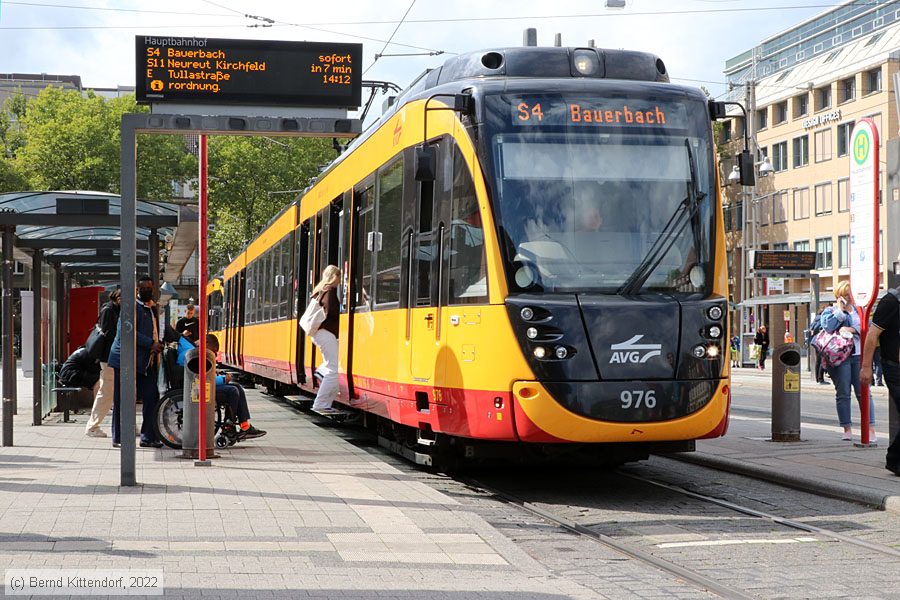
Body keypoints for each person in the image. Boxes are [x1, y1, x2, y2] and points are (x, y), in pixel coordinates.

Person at [107, 276, 165, 449]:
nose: (147, 290)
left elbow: (157, 330)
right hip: (124, 359)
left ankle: (147, 437)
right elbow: (128, 331)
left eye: (149, 287)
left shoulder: (149, 308)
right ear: (137, 290)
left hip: (143, 362)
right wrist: (151, 343)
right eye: (143, 288)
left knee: (152, 395)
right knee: (122, 398)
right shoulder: (131, 307)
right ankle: (118, 437)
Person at [821, 281, 876, 443]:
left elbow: (869, 328)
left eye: (850, 295)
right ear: (839, 296)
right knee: (843, 393)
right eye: (845, 295)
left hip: (859, 355)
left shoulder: (860, 311)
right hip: (840, 357)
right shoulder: (830, 311)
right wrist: (840, 311)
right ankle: (847, 428)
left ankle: (870, 428)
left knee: (864, 392)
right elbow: (828, 327)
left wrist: (853, 330)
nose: (849, 298)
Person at [861, 288, 900, 475]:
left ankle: (895, 459)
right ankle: (894, 460)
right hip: (895, 368)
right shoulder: (891, 301)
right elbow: (872, 335)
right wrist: (866, 367)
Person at [206, 334, 266, 439]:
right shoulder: (199, 354)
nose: (215, 354)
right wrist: (223, 379)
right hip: (203, 388)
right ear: (206, 344)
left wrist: (218, 375)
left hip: (207, 386)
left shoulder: (202, 353)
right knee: (232, 391)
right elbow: (203, 378)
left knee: (237, 387)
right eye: (214, 350)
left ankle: (245, 425)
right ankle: (228, 427)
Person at [84, 289, 121, 437]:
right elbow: (109, 333)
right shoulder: (109, 310)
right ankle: (92, 427)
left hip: (116, 357)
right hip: (109, 358)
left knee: (122, 392)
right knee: (106, 391)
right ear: (116, 297)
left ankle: (127, 424)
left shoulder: (116, 309)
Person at [309, 265, 341, 413]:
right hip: (326, 333)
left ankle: (325, 404)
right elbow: (332, 312)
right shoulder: (330, 292)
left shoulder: (319, 291)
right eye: (339, 277)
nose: (340, 281)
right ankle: (320, 404)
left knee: (331, 368)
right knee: (333, 370)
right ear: (335, 277)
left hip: (320, 333)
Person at [807, 310, 827, 385]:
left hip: (815, 341)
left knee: (818, 360)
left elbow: (812, 329)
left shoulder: (815, 319)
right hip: (821, 341)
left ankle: (817, 378)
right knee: (822, 359)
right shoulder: (822, 318)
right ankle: (820, 378)